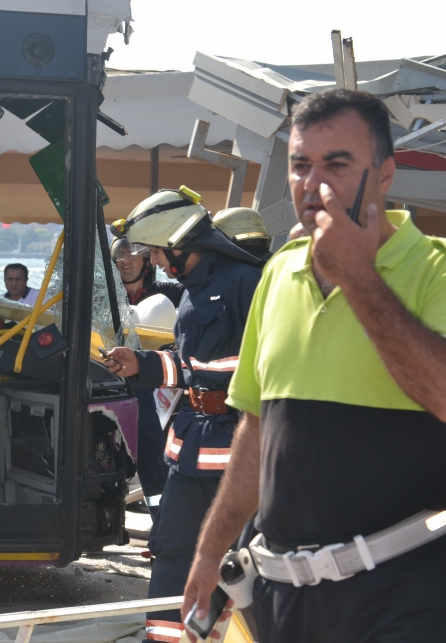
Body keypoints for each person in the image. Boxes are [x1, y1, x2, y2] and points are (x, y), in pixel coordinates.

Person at [183, 89, 446, 643]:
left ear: (387, 174)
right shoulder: (278, 272)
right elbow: (256, 431)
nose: (313, 184)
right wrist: (210, 550)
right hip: (278, 599)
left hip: (407, 594)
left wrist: (359, 277)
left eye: (338, 164)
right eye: (301, 165)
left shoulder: (437, 272)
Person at [104, 186, 263, 643]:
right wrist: (146, 364)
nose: (152, 261)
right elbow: (195, 366)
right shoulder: (195, 292)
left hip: (237, 454)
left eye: (154, 251)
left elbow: (264, 368)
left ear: (176, 244)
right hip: (192, 450)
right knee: (172, 551)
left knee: (244, 563)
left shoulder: (246, 283)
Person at [111, 236, 184, 534]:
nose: (125, 260)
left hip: (153, 389)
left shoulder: (169, 293)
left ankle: (164, 530)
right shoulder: (105, 297)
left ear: (146, 262)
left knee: (155, 462)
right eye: (119, 256)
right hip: (109, 384)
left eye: (132, 255)